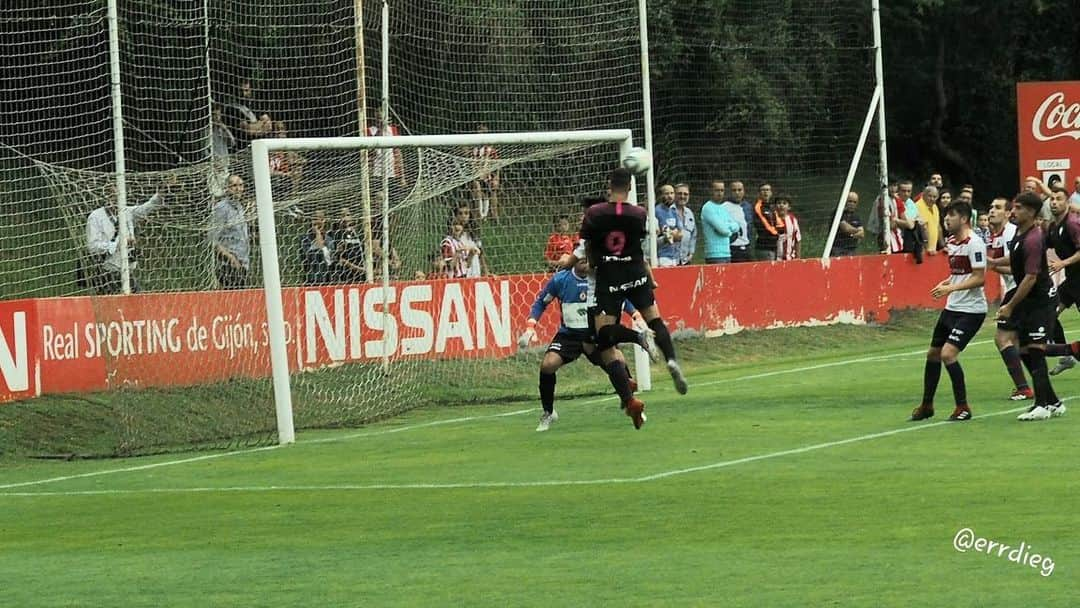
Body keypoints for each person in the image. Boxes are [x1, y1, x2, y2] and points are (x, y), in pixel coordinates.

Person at [572, 168, 689, 429]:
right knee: (654, 319)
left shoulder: (595, 214)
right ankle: (670, 358)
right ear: (631, 186)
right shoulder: (640, 214)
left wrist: (571, 262)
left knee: (604, 339)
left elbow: (586, 250)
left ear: (608, 185)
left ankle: (637, 341)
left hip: (608, 276)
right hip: (636, 270)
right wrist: (650, 276)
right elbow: (639, 247)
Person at [518, 258, 643, 432]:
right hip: (569, 335)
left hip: (595, 333)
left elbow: (621, 299)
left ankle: (630, 403)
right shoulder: (561, 280)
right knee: (548, 365)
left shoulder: (601, 278)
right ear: (574, 261)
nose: (586, 263)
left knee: (618, 360)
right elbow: (541, 302)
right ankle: (548, 412)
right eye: (582, 259)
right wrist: (531, 326)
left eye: (588, 260)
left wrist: (636, 314)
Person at [909, 200, 987, 422]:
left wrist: (950, 288)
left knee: (948, 354)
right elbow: (960, 273)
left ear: (963, 218)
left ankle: (963, 407)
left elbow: (979, 278)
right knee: (933, 354)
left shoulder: (975, 243)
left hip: (971, 311)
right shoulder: (952, 242)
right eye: (945, 216)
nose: (946, 220)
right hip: (952, 307)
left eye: (951, 216)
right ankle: (927, 405)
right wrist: (947, 284)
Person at [997, 192, 1069, 421]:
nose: (1013, 212)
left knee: (1036, 350)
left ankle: (1041, 405)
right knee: (1025, 350)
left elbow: (1029, 277)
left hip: (1041, 301)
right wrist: (992, 262)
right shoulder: (1020, 234)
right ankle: (1054, 401)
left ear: (1030, 212)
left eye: (1017, 208)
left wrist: (1009, 305)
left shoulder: (1034, 238)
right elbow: (1015, 258)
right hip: (1030, 301)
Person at [985, 197, 1032, 401]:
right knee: (1023, 342)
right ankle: (1071, 349)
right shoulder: (995, 235)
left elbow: (1018, 266)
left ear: (1007, 213)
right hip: (1017, 288)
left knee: (1002, 338)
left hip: (1019, 289)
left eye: (997, 208)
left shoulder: (1011, 233)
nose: (992, 211)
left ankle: (1023, 388)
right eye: (991, 207)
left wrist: (992, 265)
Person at [84, 182, 166, 294]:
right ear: (106, 197)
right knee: (114, 305)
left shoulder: (127, 212)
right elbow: (93, 246)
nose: (116, 199)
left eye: (119, 196)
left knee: (136, 301)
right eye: (113, 196)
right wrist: (119, 244)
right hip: (107, 272)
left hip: (127, 270)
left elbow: (147, 207)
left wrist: (162, 193)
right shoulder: (96, 217)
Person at [1045, 186, 1080, 376]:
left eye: (1058, 199)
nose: (1054, 202)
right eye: (1051, 199)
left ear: (1067, 202)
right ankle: (1066, 354)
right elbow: (1042, 246)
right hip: (1072, 281)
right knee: (1050, 311)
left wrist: (1063, 263)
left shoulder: (1072, 223)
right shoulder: (1053, 227)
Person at [209, 174, 251, 289]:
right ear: (227, 188)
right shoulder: (221, 208)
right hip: (228, 266)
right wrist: (230, 257)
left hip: (243, 264)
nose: (238, 189)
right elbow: (212, 240)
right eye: (234, 186)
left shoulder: (240, 208)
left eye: (241, 185)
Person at [701, 181, 740, 263]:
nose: (720, 193)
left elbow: (737, 226)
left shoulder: (723, 208)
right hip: (714, 255)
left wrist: (726, 226)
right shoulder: (708, 208)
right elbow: (723, 230)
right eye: (717, 190)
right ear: (711, 191)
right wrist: (729, 230)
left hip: (727, 253)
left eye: (722, 190)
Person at [469, 123, 500, 219]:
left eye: (483, 132)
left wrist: (496, 177)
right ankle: (480, 214)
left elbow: (497, 164)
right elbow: (472, 164)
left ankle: (491, 215)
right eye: (479, 133)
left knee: (491, 190)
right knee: (477, 187)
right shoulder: (474, 150)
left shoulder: (490, 150)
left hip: (488, 176)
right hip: (477, 175)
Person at [300, 209, 335, 285]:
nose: (317, 221)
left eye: (320, 219)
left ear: (324, 221)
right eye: (315, 219)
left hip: (328, 280)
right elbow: (308, 259)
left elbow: (330, 261)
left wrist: (322, 246)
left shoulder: (329, 239)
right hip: (311, 280)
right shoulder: (304, 239)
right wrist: (318, 236)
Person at [332, 208, 366, 283]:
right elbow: (338, 258)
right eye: (342, 216)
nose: (345, 218)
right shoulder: (336, 234)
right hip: (345, 277)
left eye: (347, 215)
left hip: (360, 275)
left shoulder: (358, 234)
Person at [752, 183, 784, 260]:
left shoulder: (772, 207)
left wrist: (779, 231)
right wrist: (776, 232)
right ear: (759, 193)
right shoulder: (757, 207)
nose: (765, 192)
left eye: (767, 190)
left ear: (771, 193)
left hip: (774, 246)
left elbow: (781, 225)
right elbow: (765, 225)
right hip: (764, 247)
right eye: (763, 190)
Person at [655, 184, 684, 267]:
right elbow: (659, 234)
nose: (670, 196)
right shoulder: (657, 211)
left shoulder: (673, 212)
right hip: (661, 256)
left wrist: (671, 235)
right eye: (667, 193)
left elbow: (680, 234)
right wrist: (671, 235)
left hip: (674, 255)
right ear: (661, 195)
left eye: (672, 193)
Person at [831, 191, 864, 257]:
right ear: (845, 201)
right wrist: (857, 231)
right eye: (850, 201)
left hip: (852, 250)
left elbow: (862, 234)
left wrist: (853, 232)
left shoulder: (856, 216)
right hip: (838, 249)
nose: (852, 204)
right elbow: (846, 228)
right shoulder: (838, 212)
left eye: (854, 202)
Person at [727, 181, 754, 262]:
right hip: (733, 248)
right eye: (734, 190)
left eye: (739, 190)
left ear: (744, 191)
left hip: (747, 247)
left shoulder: (748, 206)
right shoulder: (724, 207)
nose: (737, 193)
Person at [674, 184, 697, 265]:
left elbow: (693, 235)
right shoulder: (668, 211)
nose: (682, 196)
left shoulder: (689, 213)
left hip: (686, 260)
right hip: (672, 259)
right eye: (679, 193)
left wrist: (691, 253)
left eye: (685, 194)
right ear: (674, 195)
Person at [773, 194, 801, 260]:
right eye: (779, 203)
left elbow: (798, 239)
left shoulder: (793, 220)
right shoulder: (772, 218)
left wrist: (798, 257)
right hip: (775, 258)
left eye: (784, 203)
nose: (781, 205)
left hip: (790, 258)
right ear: (775, 206)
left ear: (789, 207)